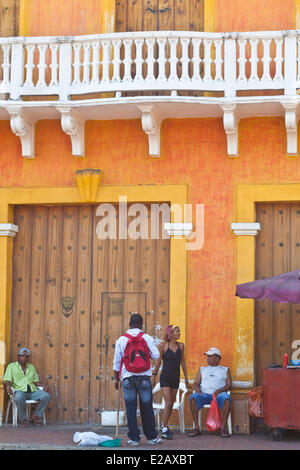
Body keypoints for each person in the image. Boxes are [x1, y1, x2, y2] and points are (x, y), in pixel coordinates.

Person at [113, 313, 162, 447]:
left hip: (127, 378)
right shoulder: (146, 337)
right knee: (147, 407)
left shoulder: (121, 339)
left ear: (129, 324)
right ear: (141, 324)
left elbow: (117, 362)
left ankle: (134, 439)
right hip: (144, 377)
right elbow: (156, 355)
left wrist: (116, 380)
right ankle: (151, 438)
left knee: (130, 408)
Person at [152, 325, 189, 439]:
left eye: (179, 331)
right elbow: (158, 363)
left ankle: (165, 426)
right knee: (168, 402)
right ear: (171, 333)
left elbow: (182, 362)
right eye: (177, 331)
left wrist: (186, 378)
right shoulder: (164, 346)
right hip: (165, 378)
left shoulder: (181, 346)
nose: (179, 333)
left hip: (175, 378)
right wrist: (154, 377)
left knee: (171, 404)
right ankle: (164, 428)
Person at [188, 347, 232, 438]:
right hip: (204, 395)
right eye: (207, 356)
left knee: (227, 399)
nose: (207, 358)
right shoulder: (202, 369)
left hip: (219, 395)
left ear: (217, 358)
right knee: (192, 398)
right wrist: (197, 389)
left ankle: (223, 428)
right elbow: (195, 383)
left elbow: (229, 385)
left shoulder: (225, 369)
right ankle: (196, 428)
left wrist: (222, 390)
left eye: (210, 356)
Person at [3, 347, 51, 427]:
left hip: (32, 391)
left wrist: (43, 386)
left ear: (28, 358)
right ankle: (23, 419)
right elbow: (7, 379)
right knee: (18, 397)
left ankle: (35, 416)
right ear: (18, 356)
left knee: (46, 396)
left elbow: (35, 381)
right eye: (22, 356)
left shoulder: (31, 367)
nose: (24, 358)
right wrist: (8, 387)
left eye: (26, 356)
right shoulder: (11, 366)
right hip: (19, 391)